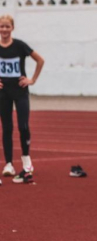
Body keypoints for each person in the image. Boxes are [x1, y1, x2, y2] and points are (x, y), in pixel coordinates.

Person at [0, 14, 45, 185]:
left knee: (23, 126)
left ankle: (26, 160)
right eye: (1, 26)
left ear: (12, 28)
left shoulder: (19, 46)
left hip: (20, 92)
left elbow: (40, 60)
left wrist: (32, 79)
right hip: (3, 93)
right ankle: (9, 164)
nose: (4, 30)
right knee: (6, 127)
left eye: (7, 26)